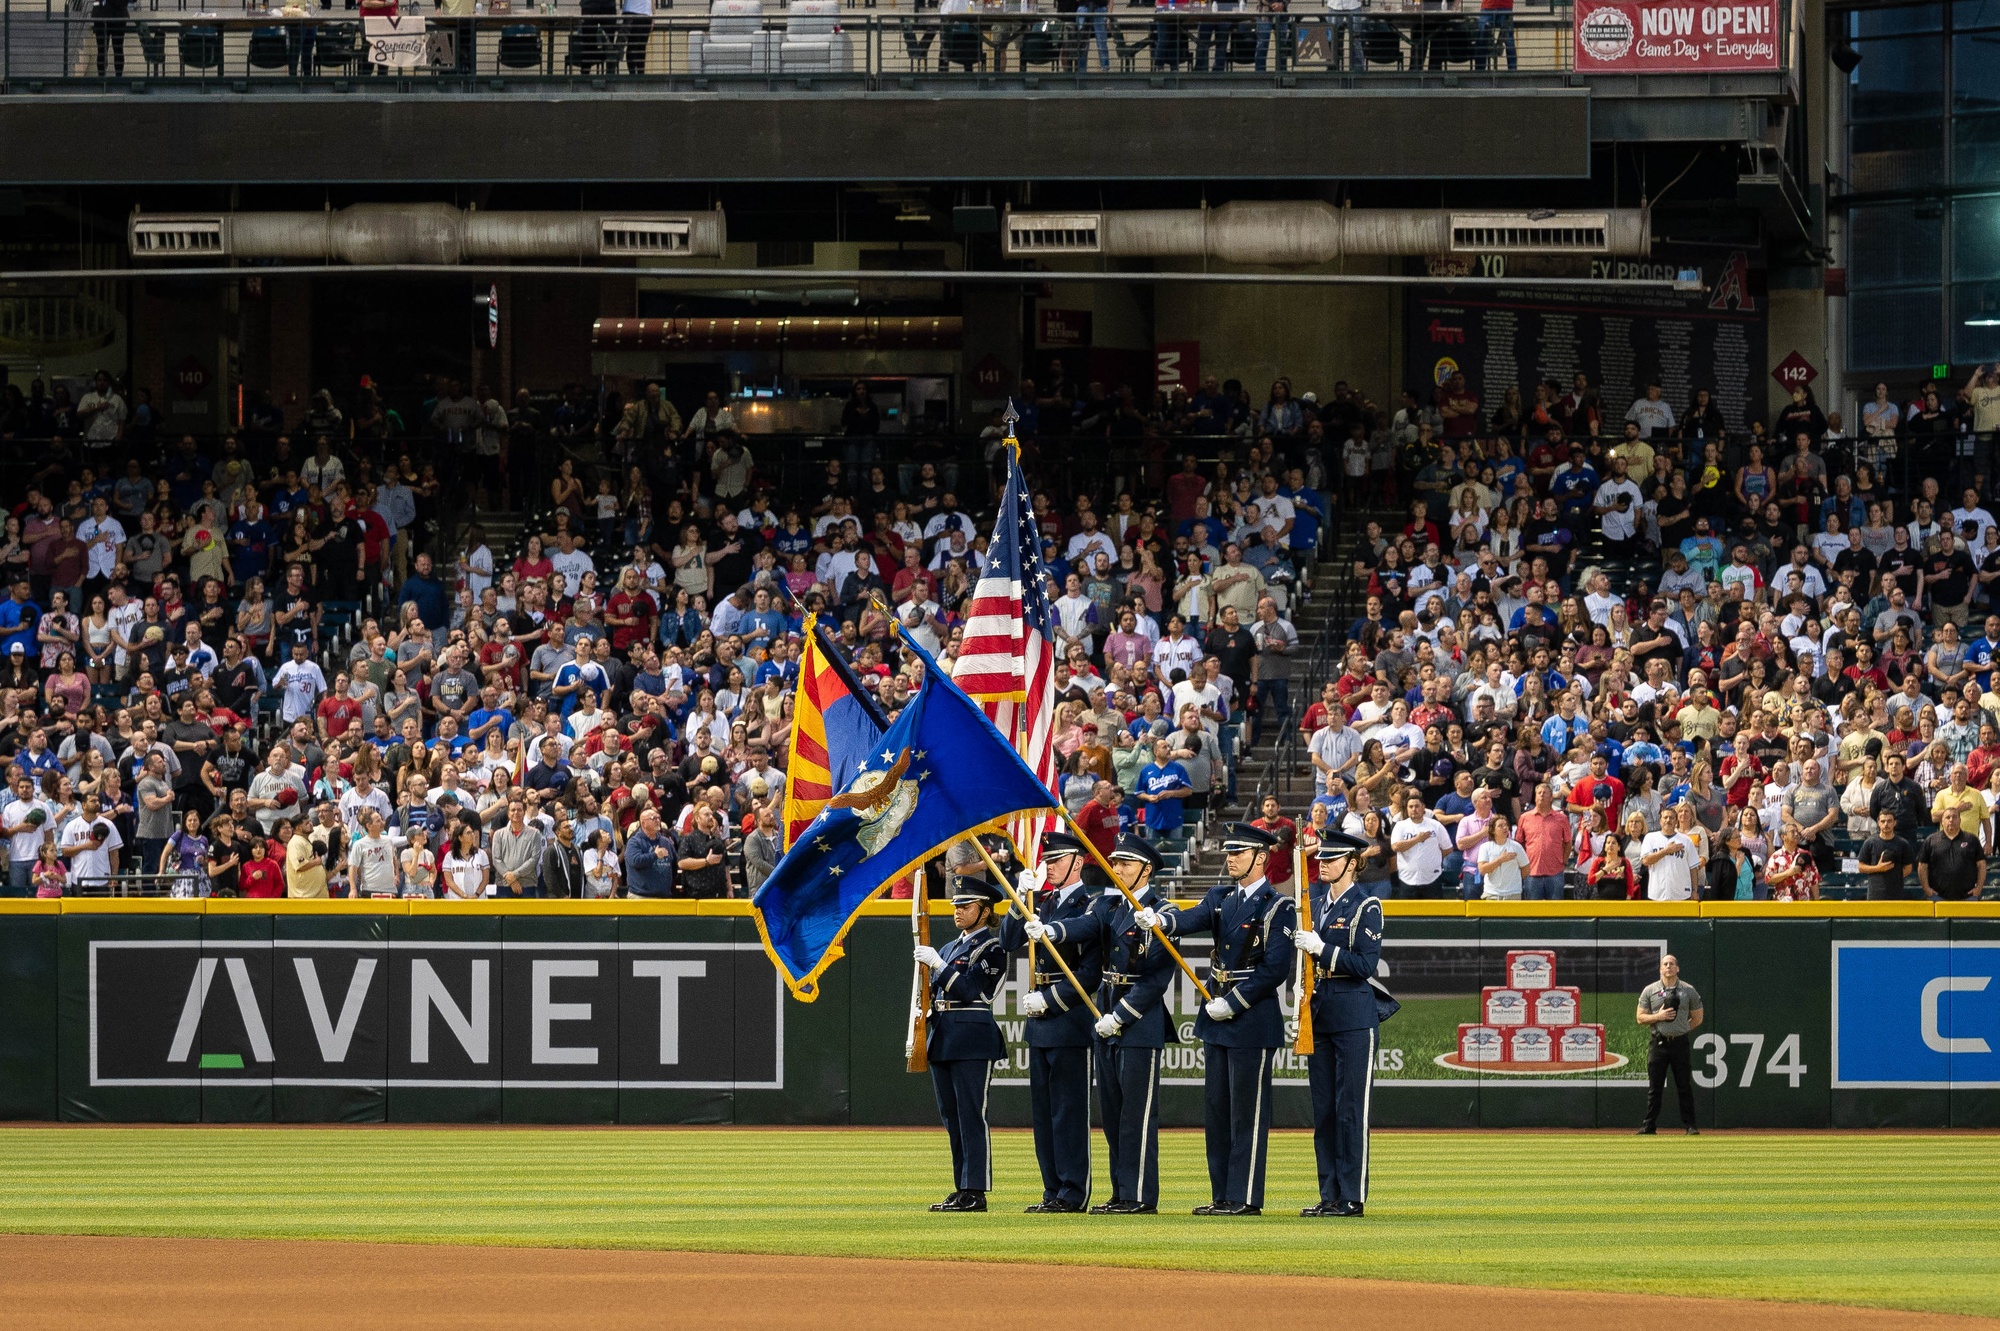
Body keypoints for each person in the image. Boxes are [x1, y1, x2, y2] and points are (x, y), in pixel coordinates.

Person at [1138, 822, 1297, 1216]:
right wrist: (1162, 921)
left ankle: (1244, 1197)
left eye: (1238, 853)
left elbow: (1275, 969)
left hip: (1251, 1017)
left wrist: (1235, 1001)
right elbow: (1191, 919)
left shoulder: (1279, 907)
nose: (1230, 859)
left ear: (1261, 858)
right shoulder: (1220, 896)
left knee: (1247, 1112)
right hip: (1217, 1015)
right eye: (1229, 852)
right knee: (1217, 1111)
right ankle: (1222, 1194)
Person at [1039, 834, 1177, 1215]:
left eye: (1125, 865)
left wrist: (1121, 1015)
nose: (1116, 870)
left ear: (1146, 870)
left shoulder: (1161, 910)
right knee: (1114, 1117)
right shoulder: (1109, 905)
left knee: (1137, 1116)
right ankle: (1120, 1192)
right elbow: (1083, 926)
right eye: (1114, 864)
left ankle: (1139, 1196)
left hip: (1138, 1022)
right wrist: (1053, 931)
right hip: (1105, 1019)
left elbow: (1156, 979)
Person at [997, 830, 1101, 1213]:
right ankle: (1052, 1189)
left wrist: (1050, 1000)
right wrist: (1015, 899)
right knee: (1043, 1114)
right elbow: (1008, 941)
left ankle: (1074, 1190)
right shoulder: (1039, 903)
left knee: (1068, 1112)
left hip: (1069, 1018)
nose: (1049, 866)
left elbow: (1090, 973)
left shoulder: (1090, 907)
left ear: (1078, 862)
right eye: (1047, 860)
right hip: (1039, 1023)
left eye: (1057, 860)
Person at [1290, 828, 1390, 1217]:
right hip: (1320, 1012)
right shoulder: (1314, 904)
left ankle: (1352, 1195)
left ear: (1352, 863)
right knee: (1324, 1111)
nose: (1323, 865)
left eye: (1331, 860)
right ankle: (1329, 1193)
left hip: (1353, 1013)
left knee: (1351, 1109)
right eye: (1321, 860)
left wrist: (1323, 949)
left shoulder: (1367, 907)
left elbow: (1365, 964)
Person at [910, 872, 1008, 1213]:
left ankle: (976, 1190)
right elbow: (933, 993)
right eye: (957, 905)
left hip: (972, 1036)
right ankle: (961, 1186)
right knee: (952, 1116)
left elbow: (970, 990)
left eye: (966, 906)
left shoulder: (992, 948)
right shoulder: (952, 946)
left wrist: (938, 964)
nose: (958, 911)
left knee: (971, 1114)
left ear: (985, 910)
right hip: (944, 1034)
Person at [1636, 953, 1703, 1135]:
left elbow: (1697, 1017)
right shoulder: (1650, 990)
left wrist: (1681, 1029)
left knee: (1684, 1086)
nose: (1668, 967)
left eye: (1672, 964)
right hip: (1658, 1043)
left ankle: (1690, 1126)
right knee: (1655, 1087)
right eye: (1665, 964)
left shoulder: (1688, 990)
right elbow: (1640, 1017)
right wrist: (1658, 1017)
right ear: (1660, 969)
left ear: (1677, 968)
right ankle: (1649, 1125)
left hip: (1679, 1043)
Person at [1919, 804, 1987, 901]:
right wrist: (1926, 889)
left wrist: (1979, 888)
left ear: (1960, 820)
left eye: (1954, 817)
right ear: (1942, 821)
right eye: (1947, 817)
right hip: (1937, 897)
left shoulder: (1971, 839)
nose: (1951, 820)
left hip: (1968, 897)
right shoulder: (1931, 840)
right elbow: (1922, 866)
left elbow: (1982, 865)